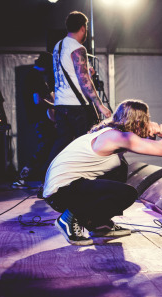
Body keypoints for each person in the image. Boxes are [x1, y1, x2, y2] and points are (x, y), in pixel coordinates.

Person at [43, 99, 162, 246]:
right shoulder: (116, 137)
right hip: (62, 194)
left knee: (120, 169)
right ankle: (69, 218)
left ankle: (99, 224)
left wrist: (152, 130)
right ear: (138, 122)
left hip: (66, 190)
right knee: (127, 193)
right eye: (146, 120)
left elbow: (143, 142)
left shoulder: (111, 134)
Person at [45, 11, 112, 181]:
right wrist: (100, 106)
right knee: (86, 143)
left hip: (61, 103)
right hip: (77, 105)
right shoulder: (78, 48)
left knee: (62, 142)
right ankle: (87, 180)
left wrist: (86, 70)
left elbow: (67, 71)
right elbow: (84, 82)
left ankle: (48, 179)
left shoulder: (58, 46)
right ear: (83, 28)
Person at [11, 52, 57, 189]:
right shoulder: (35, 76)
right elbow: (37, 100)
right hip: (40, 118)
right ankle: (23, 177)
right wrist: (56, 106)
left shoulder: (34, 75)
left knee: (46, 147)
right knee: (44, 147)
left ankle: (33, 177)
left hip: (40, 118)